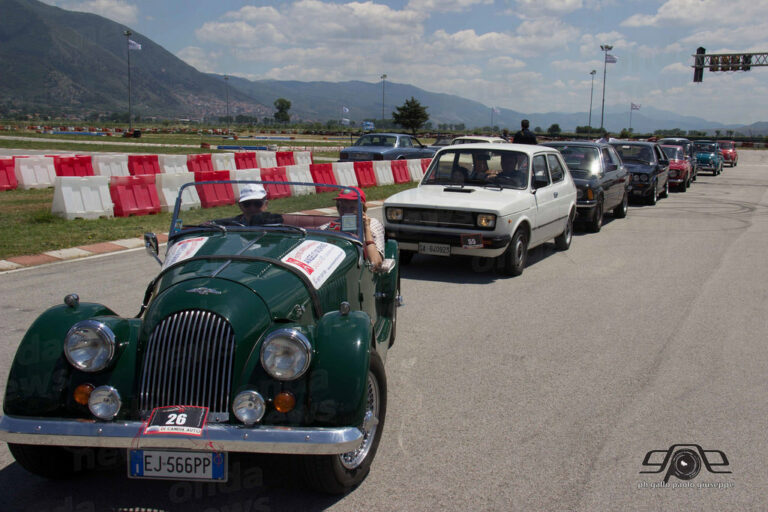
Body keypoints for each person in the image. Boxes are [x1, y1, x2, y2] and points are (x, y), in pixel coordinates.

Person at [326, 187, 384, 267]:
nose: (347, 212)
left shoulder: (373, 224)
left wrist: (366, 228)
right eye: (343, 208)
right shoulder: (335, 224)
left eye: (352, 208)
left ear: (362, 209)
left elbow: (376, 262)